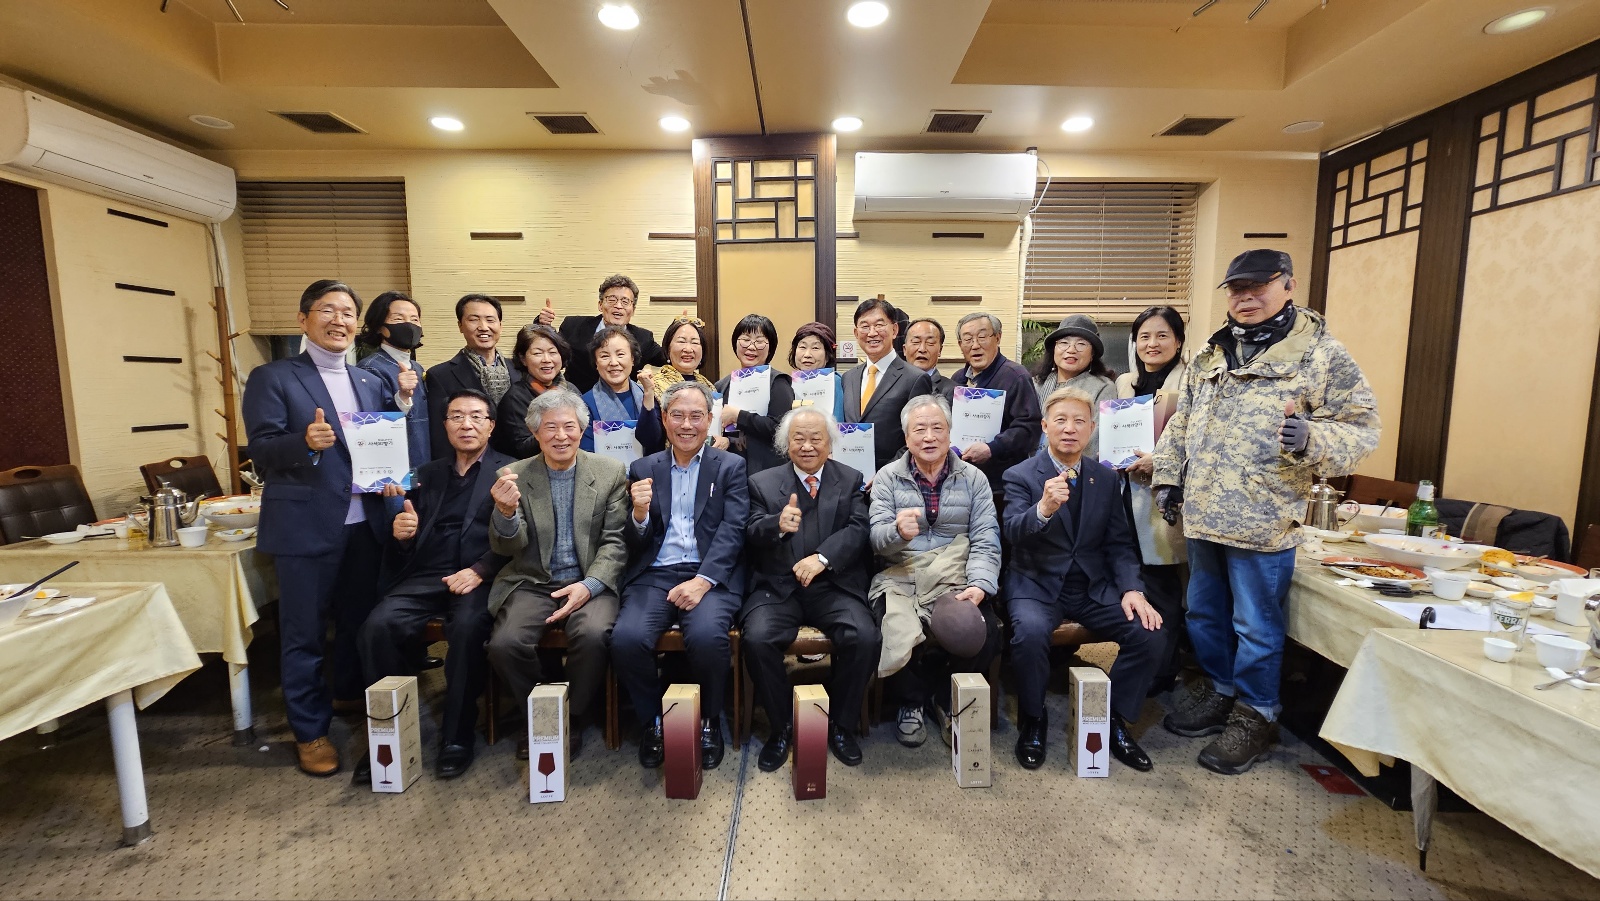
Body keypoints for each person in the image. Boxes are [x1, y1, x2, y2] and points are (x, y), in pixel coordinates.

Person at [1154, 249, 1378, 775]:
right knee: (1202, 614)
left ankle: (1257, 713)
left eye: (1259, 286)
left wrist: (1311, 438)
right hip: (1204, 512)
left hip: (1264, 519)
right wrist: (1167, 476)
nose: (1246, 297)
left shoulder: (1321, 354)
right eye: (1236, 288)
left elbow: (1362, 429)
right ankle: (1221, 690)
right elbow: (1183, 421)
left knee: (1255, 624)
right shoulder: (1212, 351)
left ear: (1289, 286)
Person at [242, 279, 414, 777]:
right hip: (306, 526)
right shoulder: (273, 377)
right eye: (327, 310)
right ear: (304, 319)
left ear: (358, 325)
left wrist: (396, 489)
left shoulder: (368, 381)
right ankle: (310, 731)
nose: (339, 320)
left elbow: (383, 447)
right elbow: (261, 450)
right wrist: (304, 441)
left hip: (365, 525)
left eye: (347, 313)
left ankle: (348, 696)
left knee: (358, 624)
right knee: (305, 635)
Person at [354, 390, 513, 783]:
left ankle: (457, 736)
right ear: (444, 426)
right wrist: (402, 534)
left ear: (491, 426)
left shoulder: (512, 471)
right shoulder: (426, 474)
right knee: (377, 627)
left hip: (478, 573)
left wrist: (479, 570)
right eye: (456, 416)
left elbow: (523, 538)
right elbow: (406, 536)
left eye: (476, 416)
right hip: (426, 574)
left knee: (467, 628)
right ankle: (387, 737)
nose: (466, 424)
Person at [1002, 386, 1164, 772]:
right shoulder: (1020, 475)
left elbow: (1119, 543)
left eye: (1079, 421)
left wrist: (1132, 589)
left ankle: (1115, 719)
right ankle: (1033, 717)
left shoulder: (1104, 478)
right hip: (1037, 584)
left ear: (1092, 429)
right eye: (1060, 420)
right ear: (1045, 426)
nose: (1070, 429)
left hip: (1092, 586)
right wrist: (1042, 509)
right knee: (1029, 635)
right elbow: (1011, 531)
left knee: (1150, 632)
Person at [610, 381, 749, 770]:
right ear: (664, 419)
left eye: (696, 416)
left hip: (709, 574)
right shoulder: (644, 468)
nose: (687, 425)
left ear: (710, 420)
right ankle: (654, 721)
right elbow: (635, 541)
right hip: (656, 572)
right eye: (678, 416)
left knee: (706, 637)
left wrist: (703, 581)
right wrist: (639, 515)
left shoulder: (731, 466)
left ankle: (709, 720)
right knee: (626, 639)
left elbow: (734, 529)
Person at [485, 389, 630, 760]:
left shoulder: (610, 472)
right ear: (535, 433)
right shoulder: (514, 476)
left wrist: (589, 585)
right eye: (550, 427)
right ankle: (542, 712)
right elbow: (507, 547)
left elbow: (615, 542)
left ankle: (573, 715)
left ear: (582, 430)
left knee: (592, 635)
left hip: (591, 580)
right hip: (533, 580)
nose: (561, 435)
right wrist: (504, 512)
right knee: (505, 644)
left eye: (569, 426)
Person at [742, 407, 877, 771]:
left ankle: (840, 725)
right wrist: (776, 524)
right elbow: (750, 531)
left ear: (829, 443)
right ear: (785, 444)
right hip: (778, 588)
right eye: (798, 438)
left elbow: (858, 529)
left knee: (864, 636)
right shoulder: (762, 482)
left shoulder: (850, 479)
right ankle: (782, 727)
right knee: (757, 638)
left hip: (832, 586)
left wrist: (823, 558)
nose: (807, 446)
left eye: (816, 438)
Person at [870, 394, 1002, 748]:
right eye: (919, 429)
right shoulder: (887, 478)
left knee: (985, 631)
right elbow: (876, 541)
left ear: (949, 432)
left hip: (953, 574)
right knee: (890, 626)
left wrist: (980, 584)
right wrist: (897, 533)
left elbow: (986, 538)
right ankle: (911, 701)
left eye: (937, 428)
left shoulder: (974, 478)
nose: (929, 437)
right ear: (906, 437)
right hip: (902, 573)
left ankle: (943, 695)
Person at [1113, 305, 1191, 692]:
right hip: (1126, 494)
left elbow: (1197, 441)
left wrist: (1158, 462)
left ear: (1178, 341)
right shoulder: (1124, 383)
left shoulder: (1190, 381)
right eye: (1144, 336)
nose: (1152, 344)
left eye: (1162, 335)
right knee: (1135, 579)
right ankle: (1146, 661)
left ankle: (1162, 671)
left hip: (1164, 500)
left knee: (1164, 584)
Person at [946, 313, 1042, 495]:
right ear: (960, 345)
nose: (975, 345)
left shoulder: (1016, 376)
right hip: (961, 481)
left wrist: (992, 448)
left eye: (982, 337)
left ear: (998, 338)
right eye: (968, 339)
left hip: (1000, 485)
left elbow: (1029, 428)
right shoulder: (958, 379)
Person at [842, 298, 932, 473]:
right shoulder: (848, 377)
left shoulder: (915, 378)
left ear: (895, 330)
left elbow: (919, 435)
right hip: (850, 476)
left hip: (894, 477)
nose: (872, 333)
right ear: (856, 333)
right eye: (865, 326)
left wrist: (887, 473)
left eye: (879, 325)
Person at [536, 274, 666, 393]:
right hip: (576, 399)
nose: (618, 306)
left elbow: (669, 358)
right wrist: (543, 324)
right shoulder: (574, 326)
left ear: (633, 310)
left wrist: (676, 329)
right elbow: (550, 348)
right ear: (600, 305)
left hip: (621, 404)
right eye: (612, 300)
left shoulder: (643, 338)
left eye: (625, 301)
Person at [425, 294, 510, 460]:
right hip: (467, 464)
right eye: (474, 320)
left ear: (500, 326)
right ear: (460, 326)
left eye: (490, 320)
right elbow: (440, 435)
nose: (483, 327)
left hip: (516, 464)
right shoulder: (440, 375)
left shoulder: (519, 369)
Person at [356, 291, 432, 469]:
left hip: (423, 462)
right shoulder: (369, 368)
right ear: (379, 327)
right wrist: (402, 397)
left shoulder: (416, 367)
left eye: (414, 319)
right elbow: (371, 426)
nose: (409, 325)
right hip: (396, 469)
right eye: (398, 319)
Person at [715, 314, 795, 476]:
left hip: (767, 473)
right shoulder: (722, 386)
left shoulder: (778, 382)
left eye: (759, 341)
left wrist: (739, 416)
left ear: (770, 347)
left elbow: (781, 429)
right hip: (731, 473)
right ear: (735, 343)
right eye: (745, 339)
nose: (751, 347)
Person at [1031, 314, 1117, 462]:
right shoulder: (1035, 383)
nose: (1071, 350)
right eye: (1064, 343)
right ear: (1054, 349)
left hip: (1077, 466)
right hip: (1030, 466)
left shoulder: (1103, 387)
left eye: (1081, 344)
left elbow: (1096, 436)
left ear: (1092, 354)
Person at [579, 325, 665, 457]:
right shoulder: (585, 403)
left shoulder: (649, 395)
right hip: (605, 469)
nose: (613, 362)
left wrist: (648, 394)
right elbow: (586, 454)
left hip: (649, 468)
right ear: (596, 363)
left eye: (620, 354)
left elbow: (654, 443)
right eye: (604, 356)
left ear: (632, 359)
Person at [493, 323, 576, 459]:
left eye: (553, 352)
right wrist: (553, 427)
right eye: (537, 353)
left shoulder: (572, 390)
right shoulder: (515, 398)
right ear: (523, 359)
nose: (547, 360)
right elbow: (522, 448)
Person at [651, 315, 730, 451]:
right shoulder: (654, 386)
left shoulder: (710, 386)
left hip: (709, 459)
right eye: (681, 341)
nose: (688, 349)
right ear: (668, 348)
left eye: (695, 343)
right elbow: (651, 438)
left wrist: (725, 440)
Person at [788, 321, 845, 422]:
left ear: (828, 355)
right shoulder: (786, 383)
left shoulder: (838, 383)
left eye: (815, 348)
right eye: (802, 347)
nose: (807, 354)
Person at [904, 317, 951, 397]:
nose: (922, 349)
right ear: (904, 349)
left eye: (930, 342)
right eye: (916, 342)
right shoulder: (889, 384)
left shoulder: (953, 391)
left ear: (940, 350)